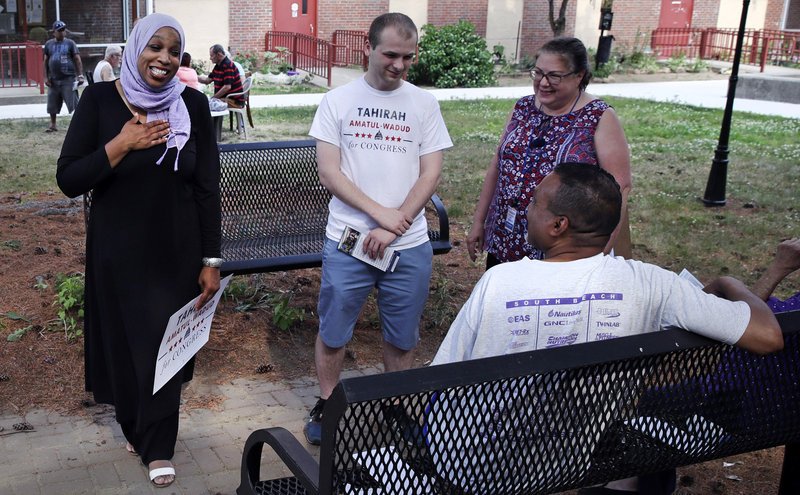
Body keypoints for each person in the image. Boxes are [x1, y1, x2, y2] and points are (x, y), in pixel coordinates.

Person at [432, 163, 783, 495]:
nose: (526, 209)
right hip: (562, 462)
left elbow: (440, 380)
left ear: (559, 226)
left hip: (469, 464)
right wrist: (728, 282)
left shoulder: (500, 281)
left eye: (536, 203)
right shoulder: (652, 284)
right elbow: (767, 336)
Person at [55, 13, 221, 488]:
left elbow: (208, 187)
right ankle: (136, 424)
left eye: (173, 51)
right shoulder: (101, 100)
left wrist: (211, 260)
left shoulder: (191, 104)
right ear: (134, 49)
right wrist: (121, 144)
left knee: (165, 347)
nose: (164, 59)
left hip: (177, 251)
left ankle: (159, 446)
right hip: (118, 251)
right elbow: (69, 178)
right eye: (155, 47)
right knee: (126, 348)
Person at [303, 12, 453, 446]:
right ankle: (329, 404)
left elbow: (430, 175)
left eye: (409, 56)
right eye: (390, 54)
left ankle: (394, 406)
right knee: (334, 333)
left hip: (408, 246)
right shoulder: (338, 101)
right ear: (367, 49)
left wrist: (396, 224)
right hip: (348, 240)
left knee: (402, 336)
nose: (400, 65)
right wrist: (380, 215)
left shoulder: (424, 104)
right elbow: (330, 174)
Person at [466, 37, 632, 269]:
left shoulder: (598, 117)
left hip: (563, 250)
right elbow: (498, 165)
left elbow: (619, 190)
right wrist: (479, 222)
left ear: (579, 76)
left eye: (554, 75)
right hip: (507, 239)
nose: (543, 83)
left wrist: (599, 256)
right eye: (538, 73)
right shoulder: (522, 108)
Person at [44, 20, 84, 132]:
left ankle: (78, 125)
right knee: (52, 103)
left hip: (68, 79)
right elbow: (45, 61)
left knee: (74, 103)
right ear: (54, 32)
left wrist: (80, 75)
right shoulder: (49, 44)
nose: (62, 33)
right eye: (59, 31)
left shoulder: (70, 43)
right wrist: (46, 77)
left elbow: (77, 59)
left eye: (63, 30)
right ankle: (53, 124)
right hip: (54, 79)